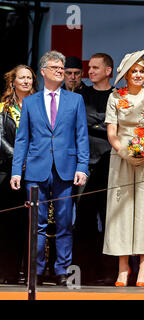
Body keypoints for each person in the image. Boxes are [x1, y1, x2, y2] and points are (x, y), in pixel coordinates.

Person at [10, 51, 90, 286]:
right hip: (36, 170)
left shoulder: (75, 100)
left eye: (61, 67)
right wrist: (17, 170)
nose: (60, 70)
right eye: (55, 67)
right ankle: (36, 270)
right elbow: (22, 138)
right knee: (36, 223)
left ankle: (62, 270)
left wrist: (82, 167)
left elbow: (81, 137)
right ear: (43, 71)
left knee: (65, 223)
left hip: (65, 169)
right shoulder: (31, 101)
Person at [103, 48, 144, 287]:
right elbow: (112, 132)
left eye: (142, 71)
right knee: (121, 210)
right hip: (121, 157)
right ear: (127, 75)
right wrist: (124, 152)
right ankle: (122, 267)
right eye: (134, 71)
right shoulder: (115, 97)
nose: (139, 75)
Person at [72, 53, 115, 285]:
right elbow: (84, 124)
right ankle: (84, 272)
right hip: (85, 166)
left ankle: (108, 271)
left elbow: (109, 124)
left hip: (111, 166)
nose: (90, 71)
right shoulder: (81, 94)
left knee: (110, 220)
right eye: (90, 67)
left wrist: (96, 124)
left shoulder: (117, 95)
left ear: (108, 71)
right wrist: (103, 124)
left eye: (96, 68)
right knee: (84, 220)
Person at [0, 65, 37, 284]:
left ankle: (28, 271)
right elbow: (0, 139)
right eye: (21, 78)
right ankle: (7, 271)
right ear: (12, 82)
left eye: (29, 78)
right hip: (7, 171)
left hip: (34, 170)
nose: (25, 81)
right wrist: (19, 159)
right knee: (8, 223)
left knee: (30, 224)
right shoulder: (3, 108)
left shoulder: (39, 105)